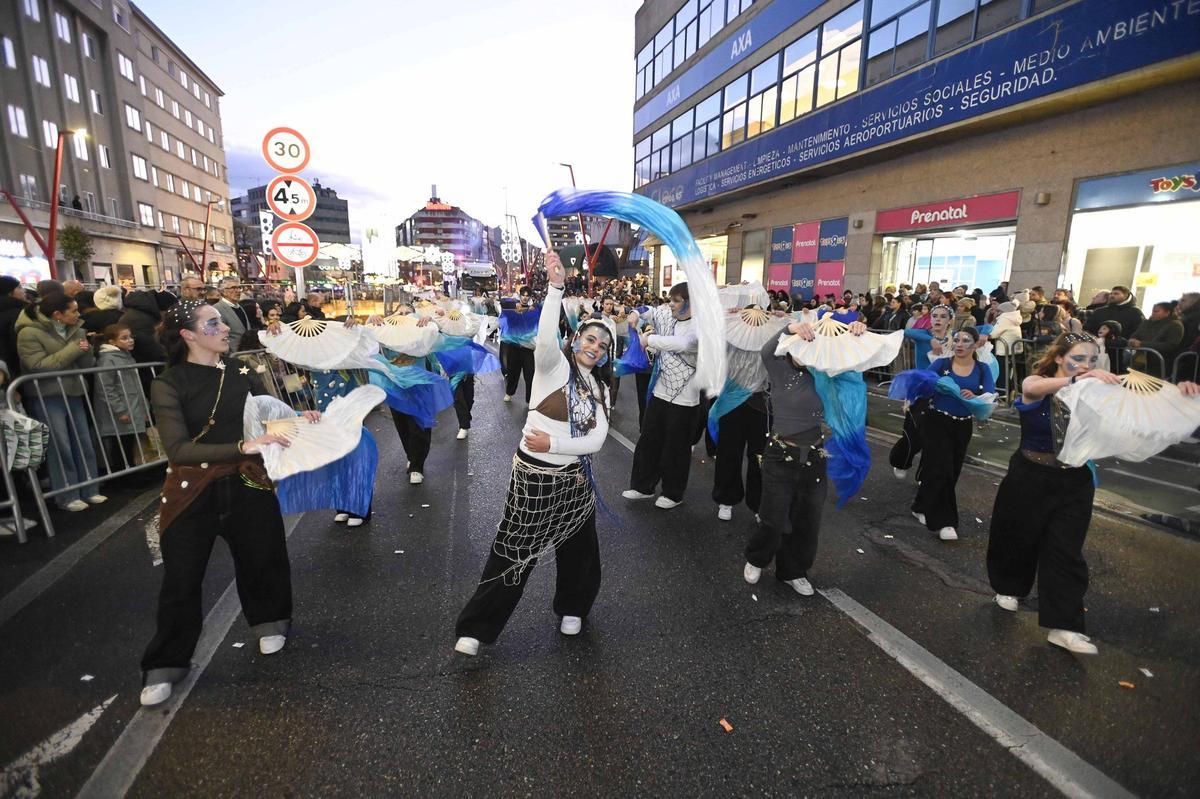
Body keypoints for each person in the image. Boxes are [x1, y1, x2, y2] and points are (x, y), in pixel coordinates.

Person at [139, 300, 320, 706]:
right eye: (213, 323)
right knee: (182, 579)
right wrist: (244, 444)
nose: (224, 328)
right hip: (192, 488)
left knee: (263, 557)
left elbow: (266, 419)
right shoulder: (168, 383)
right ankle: (165, 664)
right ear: (187, 335)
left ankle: (269, 622)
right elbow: (178, 449)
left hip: (247, 480)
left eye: (221, 321)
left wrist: (298, 419)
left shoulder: (241, 370)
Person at [986, 334, 1200, 654]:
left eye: (1092, 360)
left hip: (1075, 482)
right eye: (1078, 358)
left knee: (1066, 550)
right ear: (1060, 358)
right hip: (1029, 476)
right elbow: (1031, 388)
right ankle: (1008, 588)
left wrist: (1183, 396)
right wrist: (1075, 379)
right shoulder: (1042, 382)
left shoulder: (1100, 392)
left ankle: (1063, 626)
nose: (1087, 365)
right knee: (1019, 538)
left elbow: (1146, 410)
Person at [454, 251, 613, 656]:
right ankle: (477, 628)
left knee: (580, 550)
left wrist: (557, 445)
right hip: (533, 479)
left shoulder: (601, 390)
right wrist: (556, 288)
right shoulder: (552, 366)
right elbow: (544, 336)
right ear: (576, 338)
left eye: (604, 344)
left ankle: (573, 607)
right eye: (590, 338)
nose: (595, 346)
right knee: (512, 551)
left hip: (575, 480)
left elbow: (595, 442)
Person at [745, 317, 868, 595]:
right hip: (779, 454)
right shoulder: (779, 369)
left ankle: (793, 570)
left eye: (810, 344)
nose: (804, 350)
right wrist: (789, 329)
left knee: (807, 519)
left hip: (813, 456)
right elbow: (767, 350)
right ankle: (757, 558)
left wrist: (858, 334)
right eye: (799, 345)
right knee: (774, 518)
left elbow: (858, 361)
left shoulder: (827, 376)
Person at [15, 292, 106, 511]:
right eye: (73, 311)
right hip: (47, 395)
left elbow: (86, 363)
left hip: (74, 391)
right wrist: (75, 349)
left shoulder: (78, 329)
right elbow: (37, 365)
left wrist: (87, 350)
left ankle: (90, 488)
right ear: (57, 314)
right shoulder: (29, 333)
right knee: (60, 446)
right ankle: (67, 494)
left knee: (83, 442)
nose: (78, 314)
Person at [909, 327, 994, 541]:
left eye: (966, 340)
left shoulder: (983, 369)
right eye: (956, 339)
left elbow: (991, 396)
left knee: (952, 471)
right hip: (936, 421)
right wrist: (932, 388)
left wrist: (975, 395)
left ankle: (920, 505)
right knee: (941, 469)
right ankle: (945, 522)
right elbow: (922, 385)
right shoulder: (941, 365)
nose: (960, 344)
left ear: (976, 345)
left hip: (963, 424)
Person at [622, 282, 699, 510]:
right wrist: (635, 313)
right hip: (660, 392)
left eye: (676, 301)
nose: (671, 305)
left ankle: (673, 493)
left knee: (676, 448)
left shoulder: (703, 326)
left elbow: (685, 344)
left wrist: (650, 340)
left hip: (685, 399)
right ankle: (643, 486)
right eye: (671, 300)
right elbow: (651, 310)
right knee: (649, 440)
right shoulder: (668, 315)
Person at [93, 323, 150, 474]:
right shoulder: (108, 360)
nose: (130, 340)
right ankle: (124, 475)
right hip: (122, 408)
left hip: (131, 404)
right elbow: (105, 387)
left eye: (130, 337)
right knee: (121, 444)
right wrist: (119, 409)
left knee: (130, 441)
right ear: (111, 342)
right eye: (124, 338)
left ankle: (134, 473)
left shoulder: (126, 356)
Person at [1128, 302, 1184, 377]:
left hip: (1160, 363)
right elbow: (1135, 335)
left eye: (1156, 311)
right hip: (1140, 361)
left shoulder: (1175, 325)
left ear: (1167, 312)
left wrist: (1142, 344)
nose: (1153, 313)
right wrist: (1132, 340)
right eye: (1152, 311)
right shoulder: (1147, 323)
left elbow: (1170, 345)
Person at [0, 276, 28, 379]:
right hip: (16, 368)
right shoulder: (20, 313)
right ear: (9, 292)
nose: (23, 291)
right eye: (19, 287)